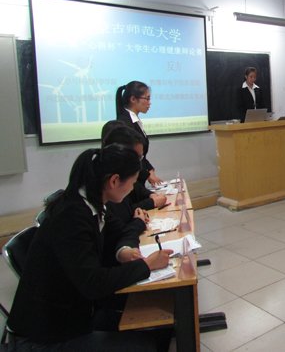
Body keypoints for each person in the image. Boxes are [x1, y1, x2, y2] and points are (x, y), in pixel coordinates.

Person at [7, 145, 173, 351]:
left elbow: (120, 232)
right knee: (144, 345)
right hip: (44, 337)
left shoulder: (93, 203)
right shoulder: (72, 216)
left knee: (161, 327)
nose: (132, 189)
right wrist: (146, 265)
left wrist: (122, 250)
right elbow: (93, 283)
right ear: (114, 181)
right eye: (131, 183)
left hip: (75, 316)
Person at [116, 81, 162, 186]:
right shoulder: (125, 124)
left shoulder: (135, 121)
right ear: (133, 99)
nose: (149, 103)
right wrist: (147, 174)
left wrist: (149, 169)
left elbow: (141, 156)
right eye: (147, 98)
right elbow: (130, 160)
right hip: (128, 185)